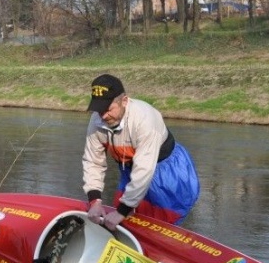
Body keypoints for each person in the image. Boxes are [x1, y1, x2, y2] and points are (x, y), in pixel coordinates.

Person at [83, 74, 200, 231]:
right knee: (124, 223)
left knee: (163, 227)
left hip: (164, 172)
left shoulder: (145, 120)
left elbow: (144, 171)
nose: (103, 116)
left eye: (108, 109)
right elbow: (93, 161)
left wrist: (122, 211)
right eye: (99, 110)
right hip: (129, 168)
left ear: (124, 101)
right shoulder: (97, 120)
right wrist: (95, 201)